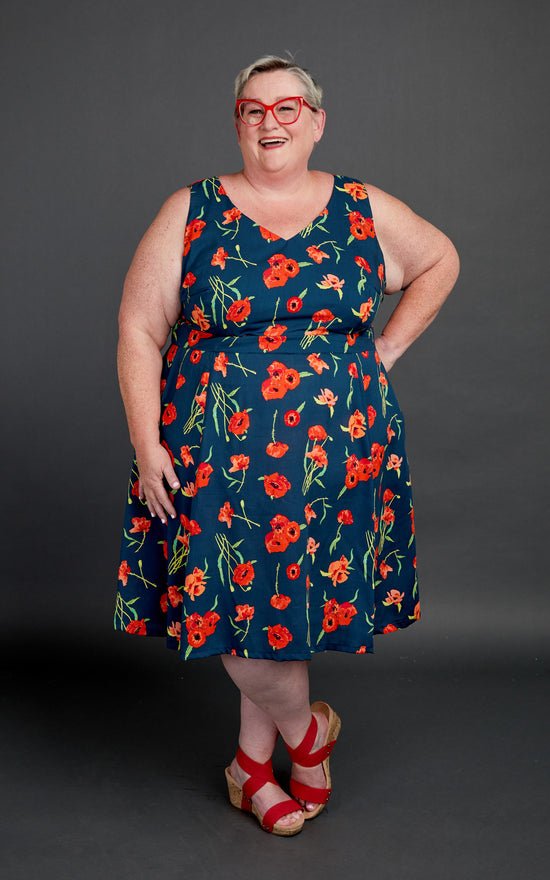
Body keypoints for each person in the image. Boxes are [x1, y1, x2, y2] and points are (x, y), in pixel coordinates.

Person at [113, 54, 460, 836]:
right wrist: (145, 439)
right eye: (254, 109)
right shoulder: (191, 210)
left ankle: (248, 766)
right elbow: (138, 328)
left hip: (338, 455)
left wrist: (386, 351)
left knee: (278, 611)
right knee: (236, 603)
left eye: (287, 108)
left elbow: (441, 258)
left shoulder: (362, 208)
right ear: (238, 123)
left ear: (316, 121)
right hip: (213, 454)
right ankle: (310, 736)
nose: (270, 122)